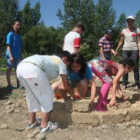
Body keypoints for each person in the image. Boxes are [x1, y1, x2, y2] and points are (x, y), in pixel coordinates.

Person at [16, 51, 75, 133]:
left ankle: (32, 122)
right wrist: (74, 97)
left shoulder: (50, 58)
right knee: (48, 94)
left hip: (20, 68)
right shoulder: (61, 62)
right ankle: (44, 126)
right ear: (65, 59)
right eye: (68, 64)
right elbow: (66, 85)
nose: (66, 67)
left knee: (31, 95)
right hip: (33, 69)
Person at [116, 15, 140, 90]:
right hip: (125, 50)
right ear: (127, 22)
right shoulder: (123, 31)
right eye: (128, 21)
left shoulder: (137, 30)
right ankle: (124, 83)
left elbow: (138, 41)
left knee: (135, 65)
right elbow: (121, 41)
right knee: (124, 66)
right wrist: (117, 49)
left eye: (131, 21)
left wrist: (139, 50)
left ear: (133, 22)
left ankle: (136, 83)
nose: (130, 22)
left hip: (134, 49)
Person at [5, 20, 22, 89]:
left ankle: (19, 85)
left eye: (19, 25)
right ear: (13, 26)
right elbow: (8, 46)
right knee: (9, 69)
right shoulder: (10, 34)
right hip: (10, 56)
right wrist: (11, 56)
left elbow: (20, 47)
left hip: (18, 56)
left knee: (18, 70)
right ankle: (9, 85)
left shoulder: (19, 36)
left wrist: (21, 55)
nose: (18, 26)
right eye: (16, 25)